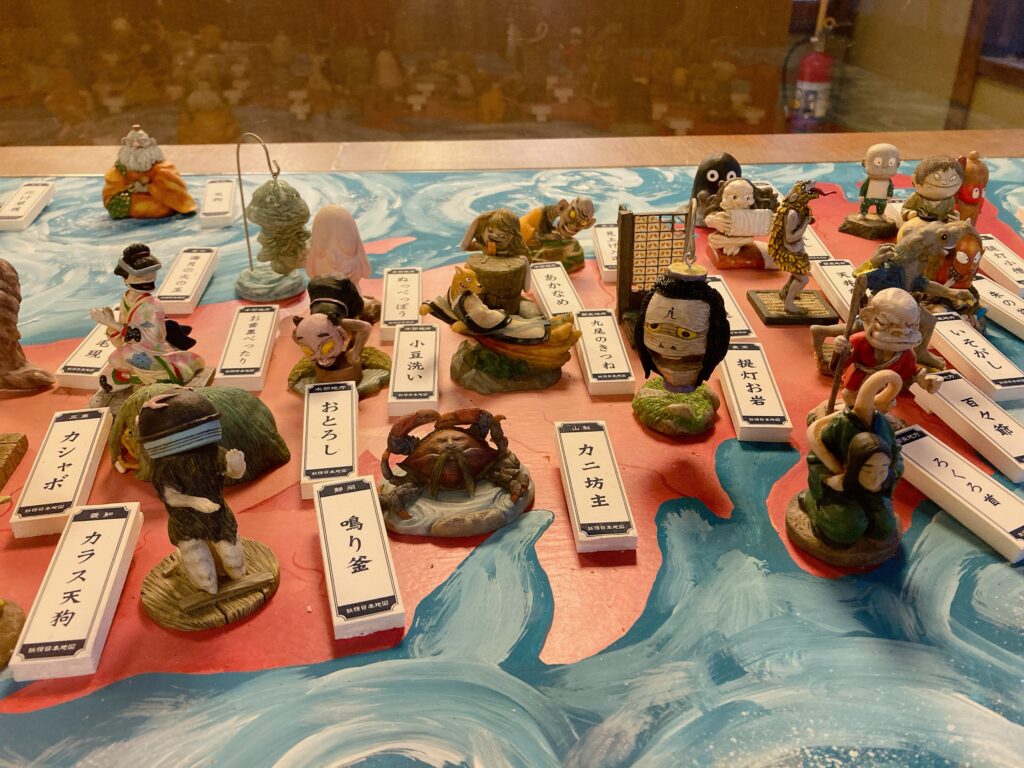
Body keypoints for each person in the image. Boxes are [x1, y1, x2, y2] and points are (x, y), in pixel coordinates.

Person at [90, 244, 204, 392]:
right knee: (114, 364)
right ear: (125, 279)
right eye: (140, 276)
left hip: (156, 352)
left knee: (122, 356)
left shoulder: (153, 305)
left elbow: (152, 340)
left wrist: (112, 323)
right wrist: (111, 325)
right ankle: (138, 376)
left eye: (151, 274)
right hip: (136, 348)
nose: (148, 279)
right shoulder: (126, 298)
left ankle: (156, 377)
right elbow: (124, 338)